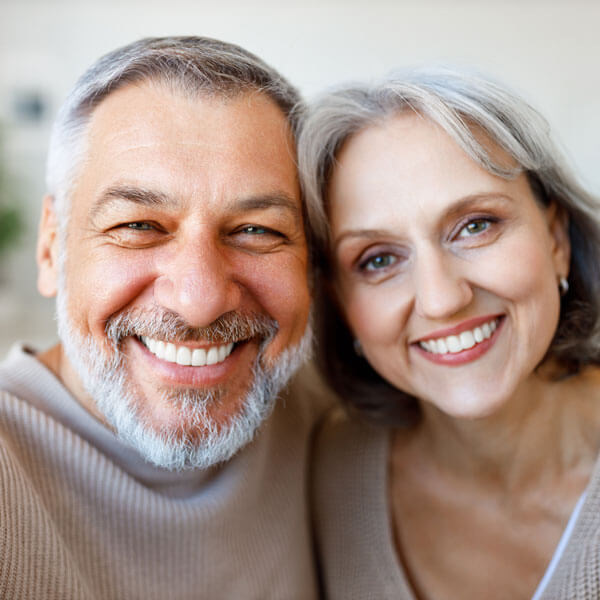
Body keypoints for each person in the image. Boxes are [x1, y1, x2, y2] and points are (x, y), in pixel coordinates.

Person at [0, 36, 328, 599]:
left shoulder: (333, 419)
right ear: (52, 248)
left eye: (257, 231)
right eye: (138, 226)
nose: (199, 300)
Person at [299, 67, 600, 599]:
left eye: (476, 225)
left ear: (555, 238)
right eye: (379, 260)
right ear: (341, 305)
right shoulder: (329, 474)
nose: (442, 299)